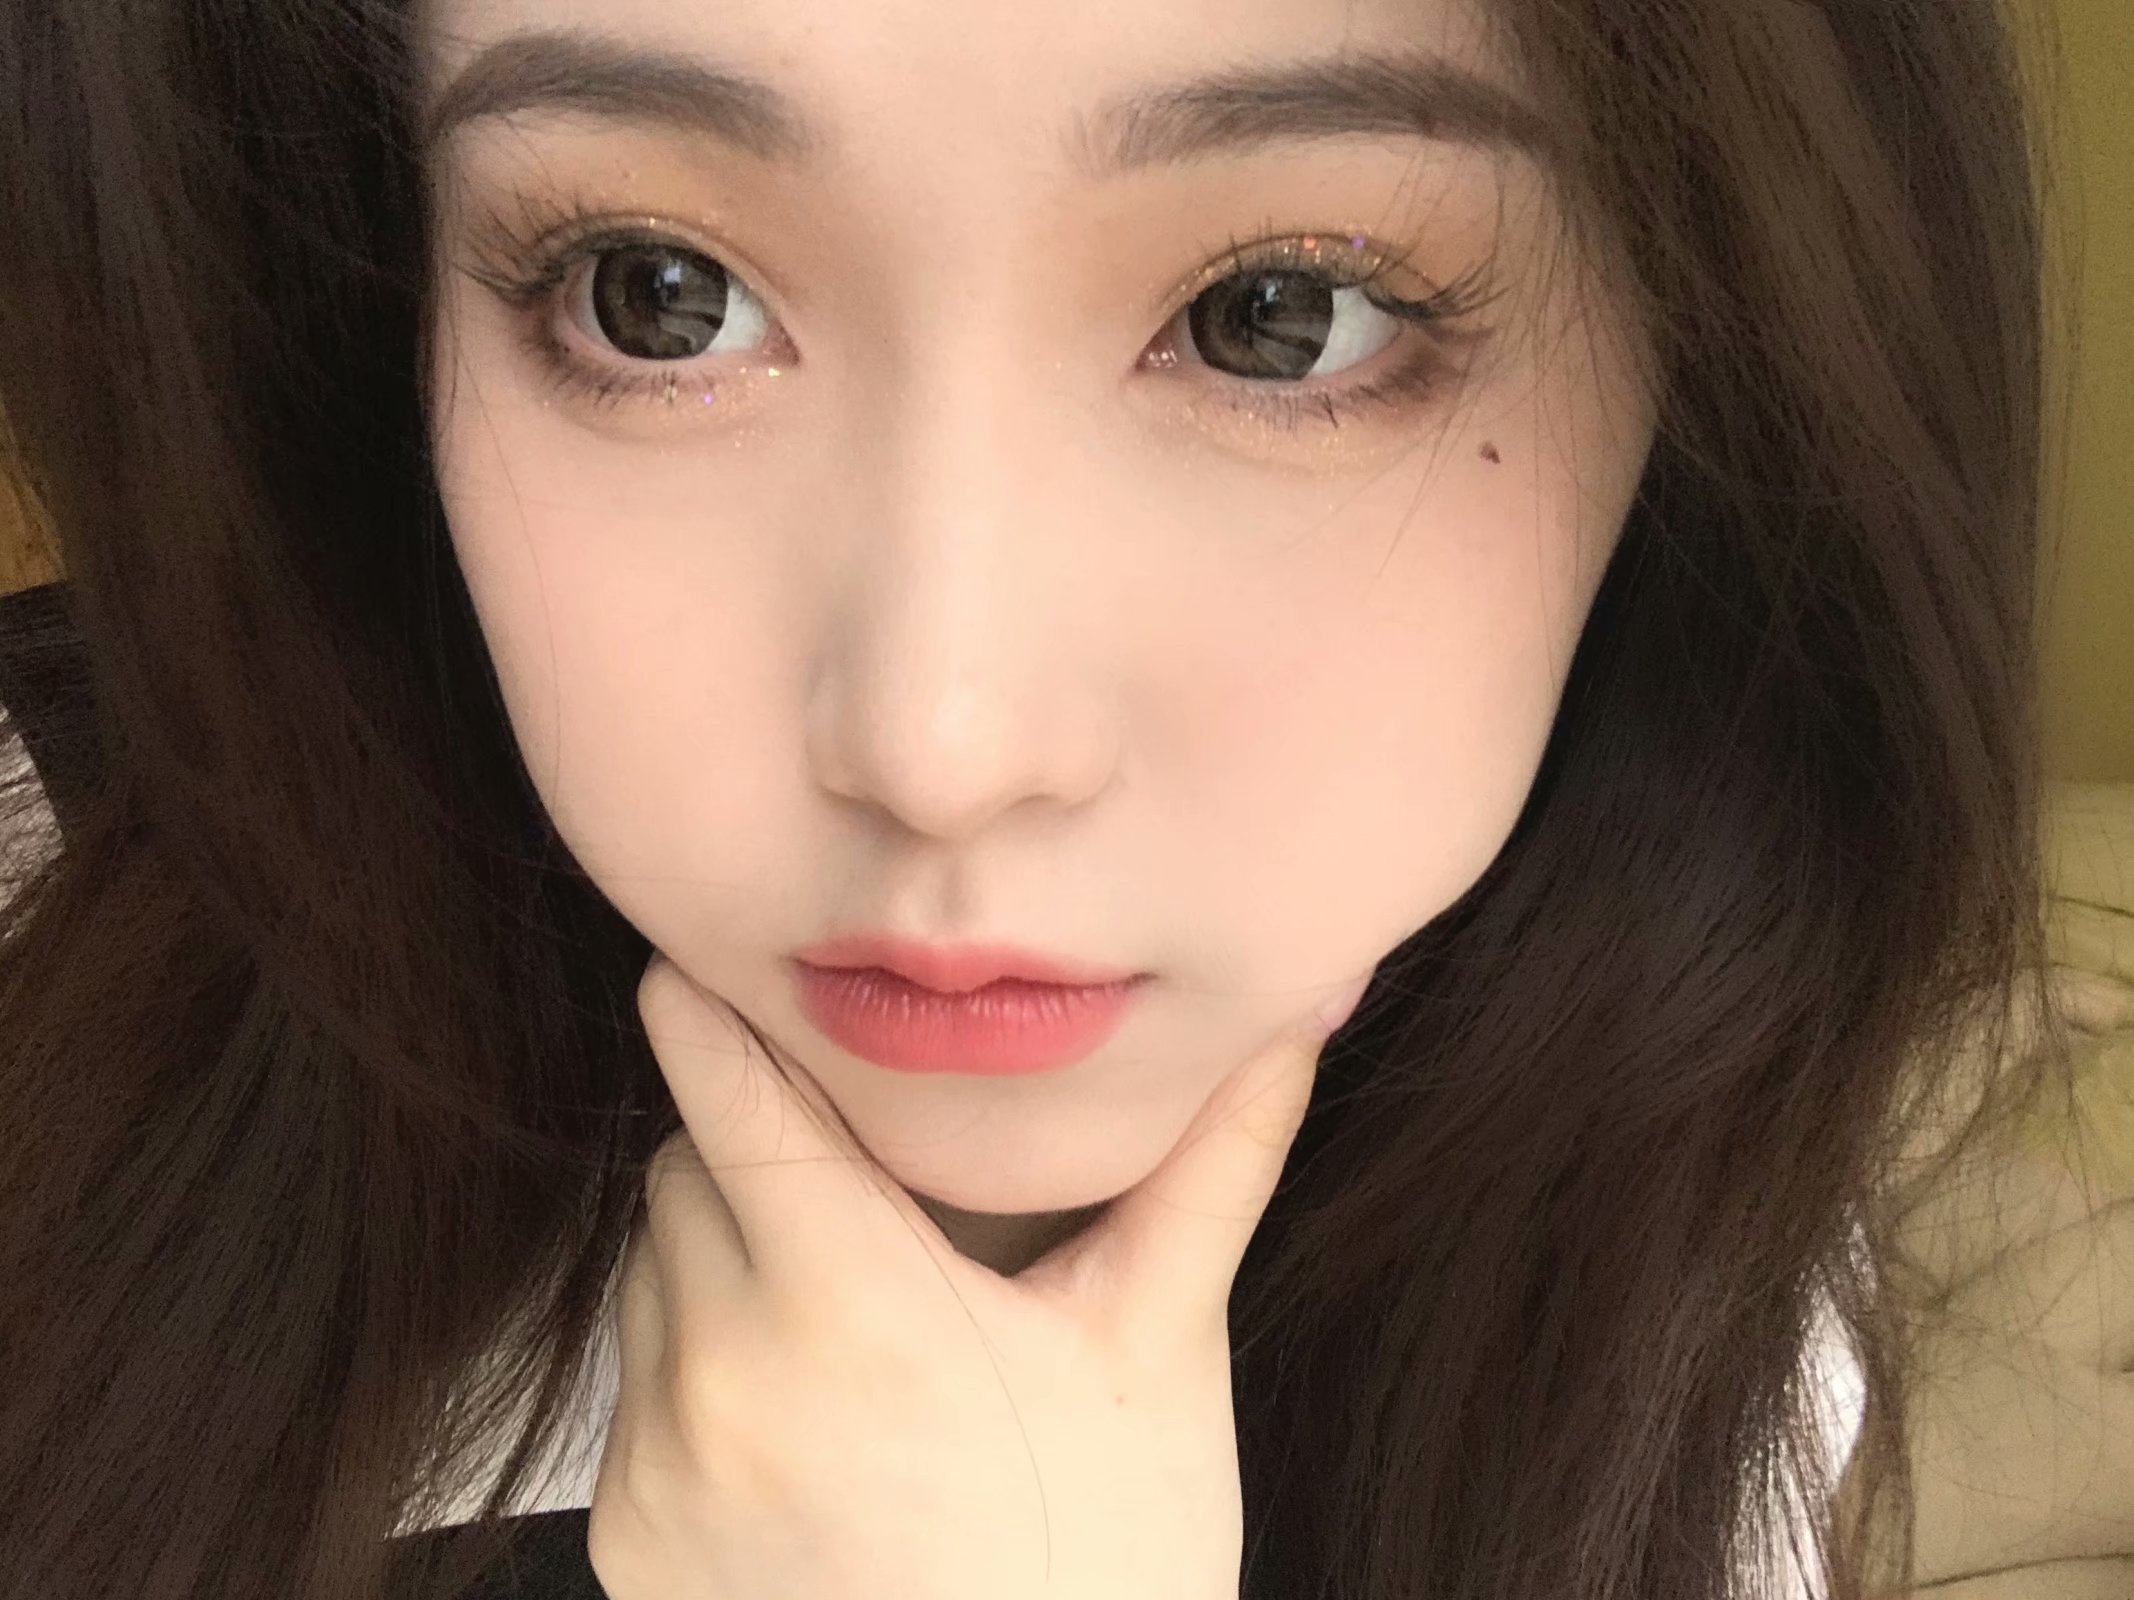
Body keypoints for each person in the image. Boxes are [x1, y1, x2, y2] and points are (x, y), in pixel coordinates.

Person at [0, 0, 2074, 1595]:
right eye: (653, 292)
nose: (938, 743)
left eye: (1277, 319)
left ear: (1712, 367)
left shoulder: (1703, 1325)